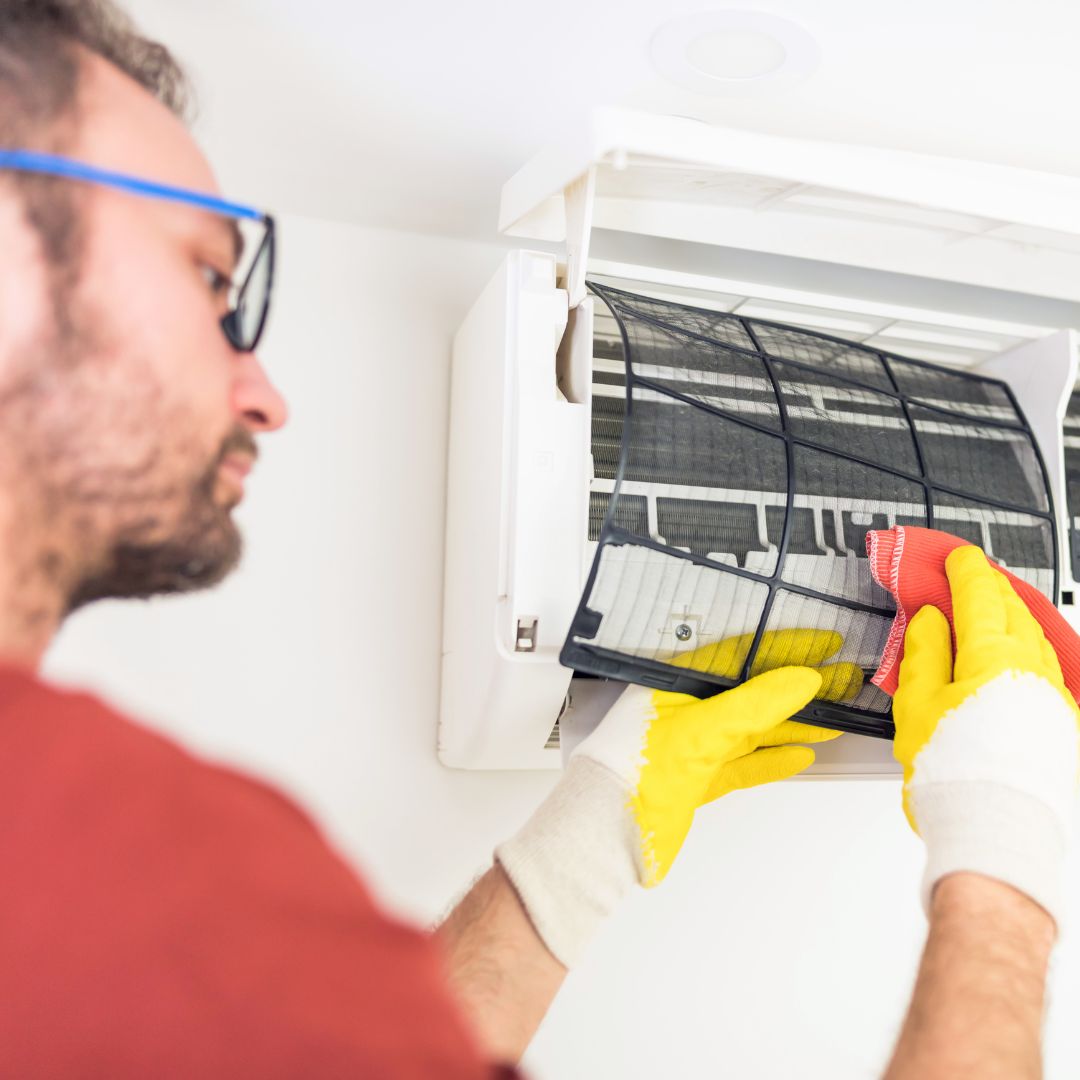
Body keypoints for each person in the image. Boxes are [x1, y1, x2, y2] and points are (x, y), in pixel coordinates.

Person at [0, 3, 1074, 1077]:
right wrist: (1002, 862)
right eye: (207, 277)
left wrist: (580, 847)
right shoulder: (111, 849)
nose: (263, 393)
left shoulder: (71, 865)